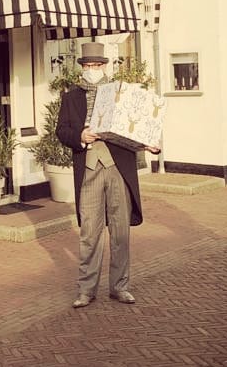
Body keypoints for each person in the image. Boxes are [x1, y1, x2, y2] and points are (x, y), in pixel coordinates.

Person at [56, 42, 160, 309]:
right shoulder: (71, 97)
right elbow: (61, 131)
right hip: (89, 169)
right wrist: (80, 136)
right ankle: (86, 290)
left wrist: (147, 142)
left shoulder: (121, 94)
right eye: (88, 66)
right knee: (89, 233)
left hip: (118, 169)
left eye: (97, 65)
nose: (92, 70)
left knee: (120, 231)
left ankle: (120, 287)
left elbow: (133, 127)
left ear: (104, 66)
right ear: (82, 67)